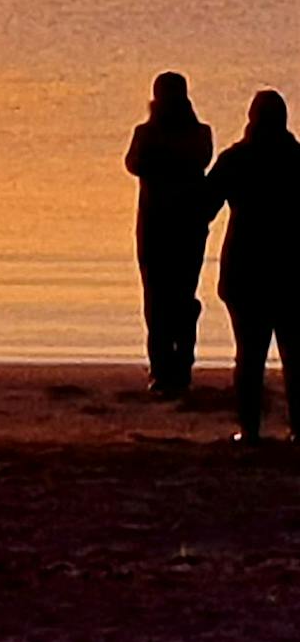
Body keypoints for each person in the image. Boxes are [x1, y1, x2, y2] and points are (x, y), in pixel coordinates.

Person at [201, 89, 300, 446]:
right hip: (291, 269)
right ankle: (298, 429)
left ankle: (250, 429)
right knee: (295, 355)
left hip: (245, 268)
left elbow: (204, 206)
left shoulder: (236, 159)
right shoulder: (298, 161)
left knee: (249, 355)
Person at [124, 71, 214, 399]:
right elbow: (134, 163)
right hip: (180, 227)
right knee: (174, 298)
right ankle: (171, 368)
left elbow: (137, 163)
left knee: (164, 299)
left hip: (165, 227)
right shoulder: (191, 134)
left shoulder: (157, 134)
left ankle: (170, 368)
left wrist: (160, 158)